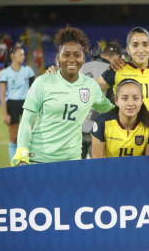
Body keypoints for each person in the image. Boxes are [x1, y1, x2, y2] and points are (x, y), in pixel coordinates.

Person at [11, 26, 114, 165]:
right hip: (39, 160)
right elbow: (26, 121)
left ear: (84, 58)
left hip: (71, 162)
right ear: (58, 57)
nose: (72, 59)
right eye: (66, 55)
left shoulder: (90, 86)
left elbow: (112, 111)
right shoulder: (43, 82)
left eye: (77, 55)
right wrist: (22, 152)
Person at [96, 27, 149, 131]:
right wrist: (109, 110)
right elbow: (91, 90)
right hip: (123, 138)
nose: (141, 50)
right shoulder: (117, 69)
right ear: (128, 50)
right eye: (135, 45)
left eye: (145, 45)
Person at [91, 79, 149, 158]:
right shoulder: (102, 122)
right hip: (109, 170)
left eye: (136, 98)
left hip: (139, 170)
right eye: (124, 98)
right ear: (116, 101)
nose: (130, 103)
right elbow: (97, 164)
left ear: (141, 101)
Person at [80, 42, 123, 159]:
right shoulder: (113, 71)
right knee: (97, 170)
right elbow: (113, 103)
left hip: (77, 126)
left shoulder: (82, 67)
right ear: (117, 57)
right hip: (99, 128)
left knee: (77, 170)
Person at [0, 46, 35, 161]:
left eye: (24, 55)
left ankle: (28, 160)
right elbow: (2, 93)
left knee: (30, 136)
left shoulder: (28, 70)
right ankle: (13, 163)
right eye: (21, 55)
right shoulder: (5, 72)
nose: (23, 57)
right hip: (12, 105)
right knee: (14, 137)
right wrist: (5, 114)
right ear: (13, 56)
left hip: (27, 105)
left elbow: (34, 90)